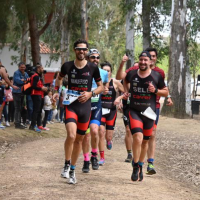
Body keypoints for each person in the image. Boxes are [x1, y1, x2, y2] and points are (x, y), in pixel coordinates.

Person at [54, 39, 103, 184]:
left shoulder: (93, 67)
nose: (81, 52)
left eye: (84, 49)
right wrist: (58, 91)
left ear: (86, 51)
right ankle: (66, 164)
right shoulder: (67, 65)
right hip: (71, 104)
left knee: (79, 140)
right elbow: (59, 79)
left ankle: (73, 170)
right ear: (75, 50)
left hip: (85, 106)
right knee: (71, 135)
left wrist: (90, 94)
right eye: (78, 49)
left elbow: (100, 87)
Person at [118, 47, 173, 174]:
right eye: (141, 59)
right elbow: (122, 78)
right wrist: (126, 91)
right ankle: (136, 165)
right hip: (135, 110)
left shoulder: (158, 74)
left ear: (151, 61)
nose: (143, 62)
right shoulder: (132, 73)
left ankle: (145, 163)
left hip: (150, 110)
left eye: (146, 59)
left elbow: (165, 91)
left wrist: (156, 91)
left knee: (147, 139)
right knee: (137, 136)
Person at [82, 48, 109, 173]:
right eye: (93, 57)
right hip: (83, 106)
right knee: (86, 136)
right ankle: (86, 160)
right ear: (87, 58)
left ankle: (94, 156)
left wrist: (105, 89)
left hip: (96, 106)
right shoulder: (82, 70)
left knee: (94, 130)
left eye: (98, 57)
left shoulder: (103, 73)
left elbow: (105, 85)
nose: (96, 60)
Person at [98, 61, 124, 165]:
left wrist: (120, 98)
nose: (106, 72)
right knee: (100, 132)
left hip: (111, 111)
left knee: (108, 136)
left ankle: (109, 141)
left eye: (108, 71)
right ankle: (102, 157)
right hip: (100, 110)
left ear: (111, 72)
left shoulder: (115, 82)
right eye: (104, 70)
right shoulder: (97, 82)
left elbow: (125, 91)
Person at [29, 64, 48, 132]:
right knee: (36, 110)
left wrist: (44, 88)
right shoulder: (36, 76)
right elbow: (33, 86)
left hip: (40, 95)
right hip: (35, 94)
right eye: (41, 68)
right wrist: (41, 88)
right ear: (38, 69)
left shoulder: (39, 76)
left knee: (39, 110)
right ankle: (32, 126)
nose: (43, 70)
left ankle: (39, 125)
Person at [12, 62, 29, 129]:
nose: (22, 68)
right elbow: (18, 81)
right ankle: (17, 123)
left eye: (23, 67)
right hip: (17, 92)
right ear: (19, 67)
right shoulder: (16, 73)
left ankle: (19, 122)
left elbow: (29, 81)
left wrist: (24, 81)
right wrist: (25, 81)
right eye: (21, 67)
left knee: (21, 108)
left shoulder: (26, 73)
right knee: (17, 108)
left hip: (22, 92)